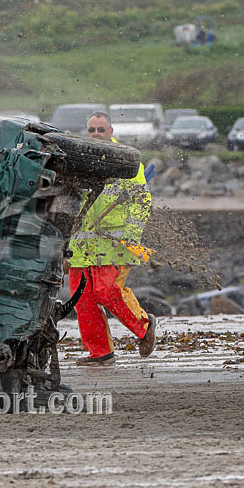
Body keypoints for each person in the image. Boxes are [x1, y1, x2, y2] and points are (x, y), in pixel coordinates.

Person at [67, 112, 155, 366]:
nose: (96, 134)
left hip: (115, 244)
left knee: (106, 292)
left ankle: (144, 325)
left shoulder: (126, 162)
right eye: (92, 130)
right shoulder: (79, 160)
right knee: (81, 299)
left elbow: (141, 200)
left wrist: (132, 234)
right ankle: (100, 352)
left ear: (111, 130)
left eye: (101, 129)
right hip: (81, 246)